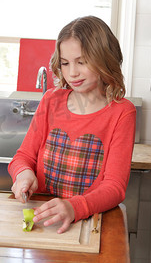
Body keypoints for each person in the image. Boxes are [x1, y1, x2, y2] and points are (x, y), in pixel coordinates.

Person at [8, 16, 136, 234]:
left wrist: (75, 207)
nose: (72, 72)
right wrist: (23, 174)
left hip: (88, 224)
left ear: (105, 59)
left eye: (82, 61)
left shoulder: (122, 112)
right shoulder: (51, 100)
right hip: (43, 219)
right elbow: (23, 157)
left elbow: (114, 187)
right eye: (65, 63)